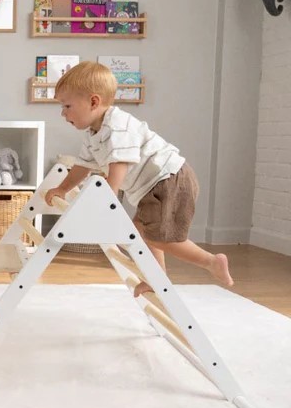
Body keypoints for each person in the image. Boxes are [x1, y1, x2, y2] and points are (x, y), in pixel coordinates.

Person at [43, 61, 233, 296]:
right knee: (140, 234)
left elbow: (119, 164)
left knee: (161, 239)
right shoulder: (93, 134)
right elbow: (83, 165)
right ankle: (157, 276)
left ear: (93, 102)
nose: (63, 113)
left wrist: (107, 197)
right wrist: (62, 188)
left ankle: (211, 262)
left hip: (169, 180)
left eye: (67, 106)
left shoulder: (118, 126)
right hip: (152, 187)